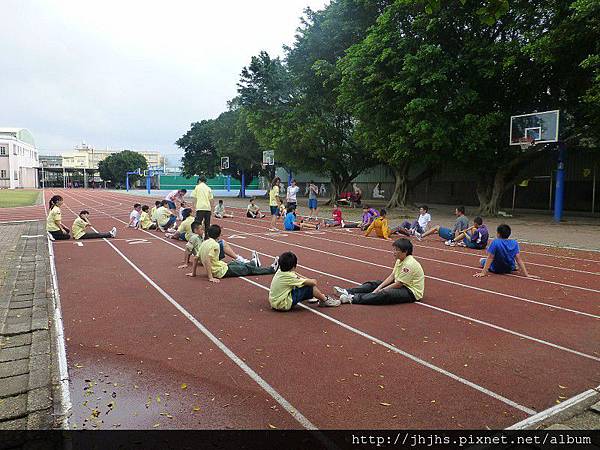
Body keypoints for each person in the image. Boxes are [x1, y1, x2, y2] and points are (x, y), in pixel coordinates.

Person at [333, 238, 424, 305]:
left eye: (397, 250)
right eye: (394, 249)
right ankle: (347, 291)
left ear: (405, 251)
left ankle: (353, 298)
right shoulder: (400, 259)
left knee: (385, 294)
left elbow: (399, 284)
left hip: (411, 292)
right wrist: (378, 287)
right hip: (401, 284)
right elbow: (392, 276)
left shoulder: (409, 264)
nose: (394, 252)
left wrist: (380, 290)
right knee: (374, 284)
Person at [188, 225, 278, 281]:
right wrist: (210, 277)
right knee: (247, 270)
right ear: (219, 235)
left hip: (221, 266)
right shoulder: (215, 245)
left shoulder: (204, 243)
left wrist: (193, 273)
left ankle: (254, 263)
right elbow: (207, 259)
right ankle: (271, 269)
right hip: (220, 272)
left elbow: (195, 258)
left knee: (237, 263)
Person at [269, 251, 340, 310]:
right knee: (310, 287)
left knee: (299, 285)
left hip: (274, 302)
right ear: (294, 266)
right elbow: (313, 283)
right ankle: (325, 300)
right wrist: (310, 280)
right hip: (282, 305)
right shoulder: (290, 276)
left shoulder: (280, 271)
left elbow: (296, 276)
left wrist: (303, 279)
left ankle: (315, 296)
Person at [179, 222, 251, 269]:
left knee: (220, 242)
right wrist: (186, 263)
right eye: (201, 229)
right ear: (195, 230)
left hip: (207, 255)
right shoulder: (194, 237)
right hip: (204, 258)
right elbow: (188, 249)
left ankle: (237, 259)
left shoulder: (202, 236)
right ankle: (238, 259)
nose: (203, 230)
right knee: (222, 243)